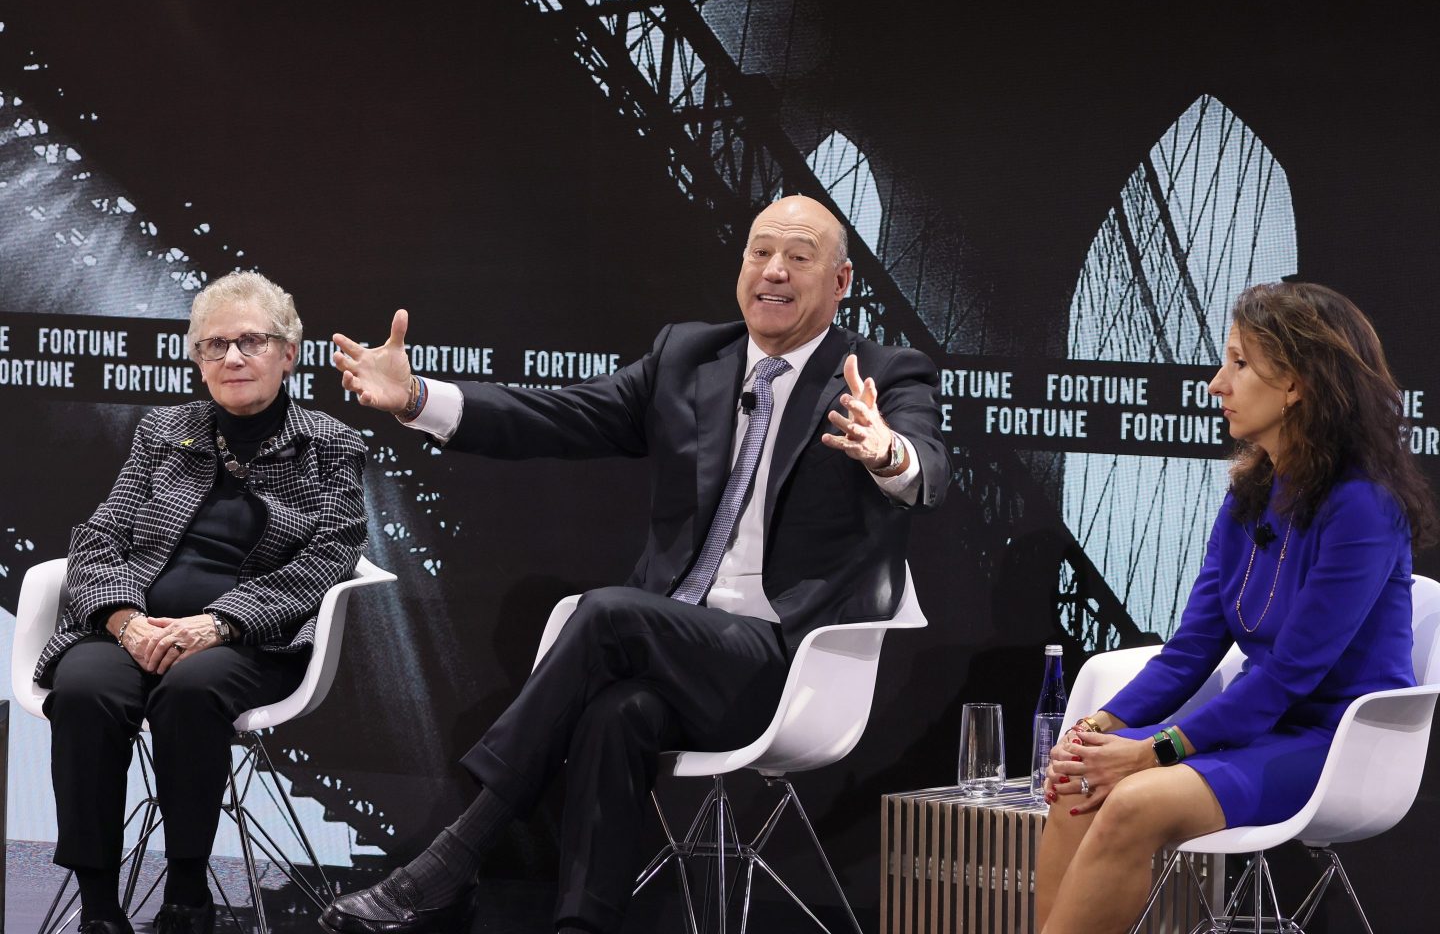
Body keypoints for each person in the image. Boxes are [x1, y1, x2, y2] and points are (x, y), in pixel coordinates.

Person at [320, 195, 949, 934]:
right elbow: (558, 415)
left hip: (782, 664)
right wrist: (419, 398)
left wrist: (886, 453)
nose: (773, 271)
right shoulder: (690, 356)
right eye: (759, 253)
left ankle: (455, 854)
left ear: (840, 282)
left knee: (610, 613)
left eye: (799, 258)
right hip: (673, 650)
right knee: (620, 713)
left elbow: (928, 470)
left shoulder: (881, 373)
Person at [1034, 281, 1437, 934]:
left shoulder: (1362, 506)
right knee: (1078, 784)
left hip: (1336, 745)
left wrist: (1150, 753)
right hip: (1260, 729)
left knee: (1133, 802)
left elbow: (1289, 677)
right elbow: (1193, 648)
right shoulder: (1251, 492)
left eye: (1239, 363)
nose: (1218, 384)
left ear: (1296, 385)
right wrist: (1101, 730)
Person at [38, 272, 369, 934]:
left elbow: (329, 558)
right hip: (136, 628)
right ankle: (99, 907)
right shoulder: (164, 430)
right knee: (79, 689)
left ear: (288, 352)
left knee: (191, 692)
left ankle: (188, 892)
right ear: (197, 359)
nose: (232, 358)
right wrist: (127, 624)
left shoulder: (330, 445)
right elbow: (99, 538)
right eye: (214, 345)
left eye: (250, 341)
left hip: (255, 642)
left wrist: (219, 623)